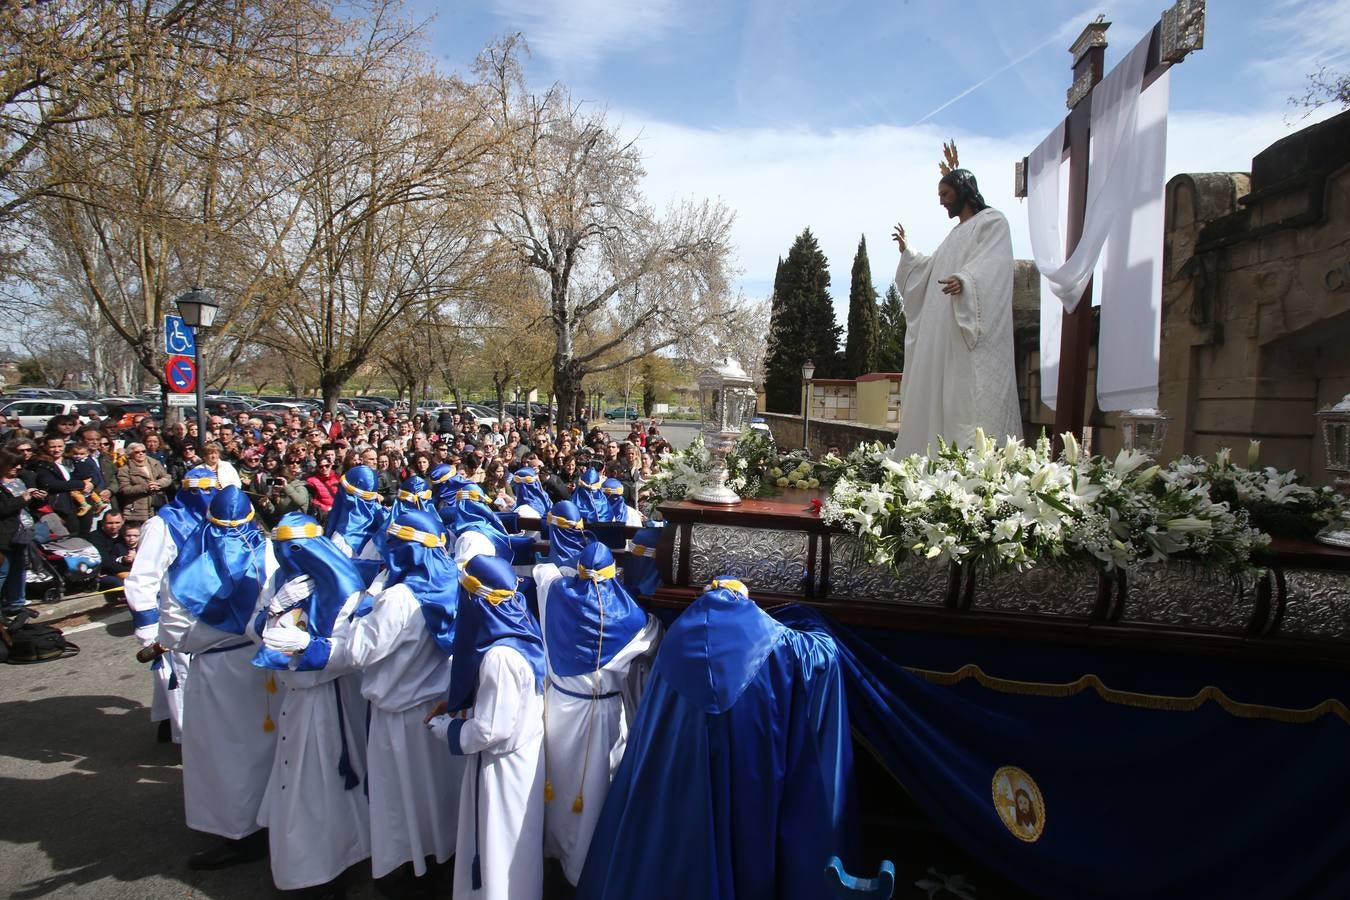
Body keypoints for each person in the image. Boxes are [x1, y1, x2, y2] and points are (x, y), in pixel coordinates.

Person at [575, 578, 857, 900]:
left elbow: (654, 719)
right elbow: (824, 656)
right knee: (745, 838)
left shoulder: (677, 637)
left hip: (682, 769)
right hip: (749, 766)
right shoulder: (776, 646)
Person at [270, 507, 465, 892]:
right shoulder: (449, 581)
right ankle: (440, 859)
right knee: (437, 795)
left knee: (402, 800)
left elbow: (359, 651)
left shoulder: (399, 598)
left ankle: (413, 868)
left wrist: (307, 644)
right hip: (434, 707)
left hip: (399, 713)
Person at [158, 486, 278, 870]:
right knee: (266, 747)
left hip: (216, 670)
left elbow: (173, 634)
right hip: (264, 667)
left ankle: (239, 833)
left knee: (227, 754)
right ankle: (273, 819)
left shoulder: (183, 572)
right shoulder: (270, 558)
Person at [252, 514, 372, 894]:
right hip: (297, 696)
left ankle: (331, 863)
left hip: (327, 697)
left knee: (323, 786)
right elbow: (253, 629)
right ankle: (306, 863)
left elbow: (353, 651)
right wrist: (273, 611)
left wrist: (306, 647)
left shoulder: (343, 586)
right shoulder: (281, 582)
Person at [533, 543, 662, 885]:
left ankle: (551, 853)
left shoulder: (555, 594)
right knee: (593, 792)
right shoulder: (634, 620)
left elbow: (542, 571)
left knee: (555, 782)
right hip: (603, 713)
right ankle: (585, 865)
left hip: (559, 708)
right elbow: (653, 642)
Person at [427, 552, 546, 900]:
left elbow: (489, 730)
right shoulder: (522, 625)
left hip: (503, 768)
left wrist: (445, 729)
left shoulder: (499, 658)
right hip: (519, 760)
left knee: (500, 849)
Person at [889, 162, 1022, 459]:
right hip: (943, 333)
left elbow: (994, 264)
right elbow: (930, 269)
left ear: (963, 190)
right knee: (944, 399)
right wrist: (909, 255)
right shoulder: (953, 236)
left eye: (946, 193)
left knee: (966, 400)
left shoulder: (992, 222)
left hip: (966, 329)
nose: (941, 200)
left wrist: (966, 280)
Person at [123, 467, 219, 744]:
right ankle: (193, 741)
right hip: (177, 617)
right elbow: (142, 579)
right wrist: (148, 629)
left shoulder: (214, 520)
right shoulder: (162, 525)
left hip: (211, 616)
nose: (206, 497)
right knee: (184, 681)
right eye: (198, 491)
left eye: (211, 491)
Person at [117, 442, 173, 526]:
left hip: (157, 505)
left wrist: (158, 483)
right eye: (137, 452)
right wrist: (146, 487)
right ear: (130, 454)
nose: (141, 453)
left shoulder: (154, 463)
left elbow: (167, 478)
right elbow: (125, 490)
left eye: (143, 451)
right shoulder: (125, 470)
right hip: (137, 510)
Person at [89, 511, 133, 593]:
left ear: (123, 522)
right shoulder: (95, 537)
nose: (114, 526)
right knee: (122, 584)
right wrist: (131, 570)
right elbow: (105, 562)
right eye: (110, 523)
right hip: (106, 573)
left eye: (117, 523)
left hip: (126, 570)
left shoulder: (126, 535)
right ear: (102, 523)